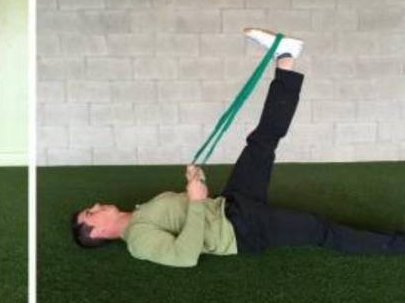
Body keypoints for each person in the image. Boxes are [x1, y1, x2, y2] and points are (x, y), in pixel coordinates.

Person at [71, 28, 405, 267]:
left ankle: (286, 57)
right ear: (97, 231)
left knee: (261, 142)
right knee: (320, 230)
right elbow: (185, 257)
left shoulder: (141, 211)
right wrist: (198, 202)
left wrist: (195, 185)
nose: (96, 205)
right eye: (91, 212)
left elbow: (188, 212)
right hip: (242, 230)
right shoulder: (138, 242)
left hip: (230, 204)